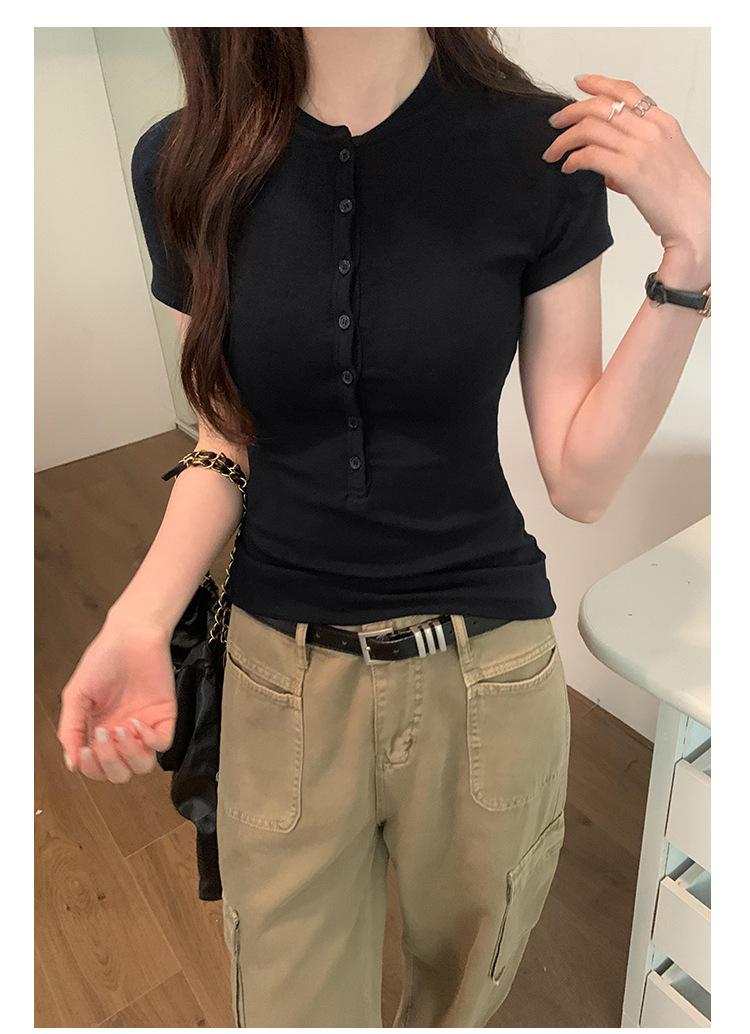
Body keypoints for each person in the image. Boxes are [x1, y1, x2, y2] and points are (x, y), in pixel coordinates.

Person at [56, 27, 710, 1028]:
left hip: (488, 679)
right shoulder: (182, 160)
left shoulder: (539, 146)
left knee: (459, 998)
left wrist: (693, 252)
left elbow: (581, 481)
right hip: (279, 675)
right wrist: (138, 618)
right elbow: (226, 436)